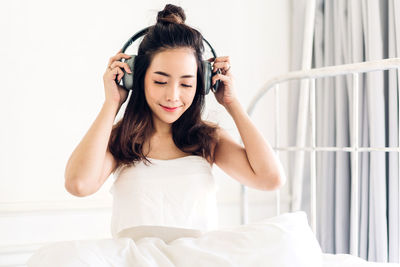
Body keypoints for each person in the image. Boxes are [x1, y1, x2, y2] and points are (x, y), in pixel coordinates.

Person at [26, 4, 325, 267]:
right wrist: (112, 102)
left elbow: (271, 179)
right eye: (160, 81)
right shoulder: (121, 139)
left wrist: (232, 104)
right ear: (136, 78)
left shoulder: (207, 139)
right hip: (135, 260)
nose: (173, 96)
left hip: (198, 259)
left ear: (204, 82)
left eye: (186, 83)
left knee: (285, 244)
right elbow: (79, 184)